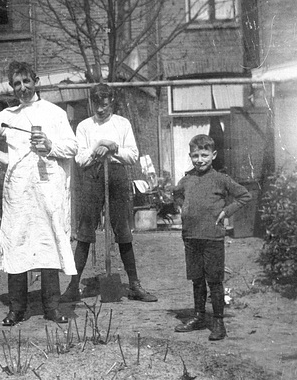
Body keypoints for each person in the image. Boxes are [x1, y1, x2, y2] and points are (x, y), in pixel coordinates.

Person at [0, 60, 77, 326]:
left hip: (46, 189)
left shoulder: (54, 112)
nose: (22, 88)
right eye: (16, 84)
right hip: (18, 192)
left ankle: (51, 306)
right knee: (16, 244)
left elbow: (73, 147)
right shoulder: (8, 116)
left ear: (36, 81)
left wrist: (50, 146)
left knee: (48, 244)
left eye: (26, 81)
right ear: (11, 87)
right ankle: (16, 309)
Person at [60, 84, 158, 303]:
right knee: (85, 230)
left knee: (122, 227)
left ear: (111, 101)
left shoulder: (122, 124)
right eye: (97, 104)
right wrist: (99, 148)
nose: (101, 109)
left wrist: (113, 148)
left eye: (105, 104)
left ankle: (134, 284)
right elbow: (80, 158)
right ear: (92, 103)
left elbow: (132, 155)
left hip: (116, 175)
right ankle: (74, 286)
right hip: (92, 177)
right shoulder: (84, 126)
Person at [172, 134, 251, 341]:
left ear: (213, 155)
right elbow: (176, 193)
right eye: (195, 155)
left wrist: (226, 211)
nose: (200, 160)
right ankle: (199, 316)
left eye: (204, 155)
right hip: (190, 237)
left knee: (214, 281)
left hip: (212, 238)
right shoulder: (187, 179)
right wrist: (183, 207)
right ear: (190, 156)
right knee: (197, 279)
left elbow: (244, 195)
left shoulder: (221, 179)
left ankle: (218, 322)